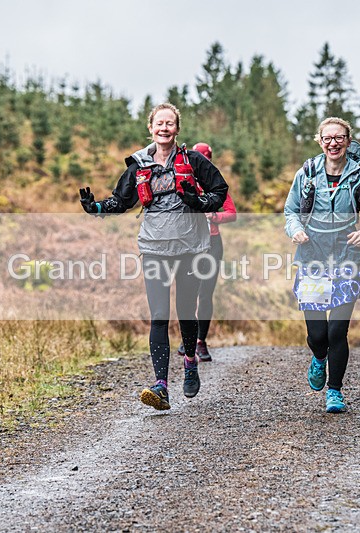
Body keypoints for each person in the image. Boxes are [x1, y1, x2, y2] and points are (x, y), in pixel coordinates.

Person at [79, 103, 228, 411]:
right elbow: (122, 201)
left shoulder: (194, 161)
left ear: (177, 129)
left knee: (186, 311)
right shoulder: (139, 165)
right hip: (155, 249)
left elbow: (220, 191)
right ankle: (161, 386)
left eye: (169, 123)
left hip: (190, 248)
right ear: (151, 128)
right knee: (159, 314)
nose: (164, 128)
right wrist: (94, 208)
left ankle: (189, 361)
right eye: (159, 123)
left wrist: (197, 201)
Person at [284, 117, 360, 414]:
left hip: (347, 259)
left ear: (348, 141)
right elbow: (290, 211)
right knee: (318, 336)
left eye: (339, 138)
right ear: (319, 141)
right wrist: (295, 230)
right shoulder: (307, 174)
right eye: (327, 138)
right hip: (312, 257)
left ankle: (335, 391)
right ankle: (318, 357)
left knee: (338, 331)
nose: (333, 143)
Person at [176, 142, 237, 362]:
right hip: (189, 244)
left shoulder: (214, 180)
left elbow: (232, 212)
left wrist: (213, 217)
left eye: (206, 158)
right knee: (187, 293)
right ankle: (189, 338)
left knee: (205, 294)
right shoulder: (183, 179)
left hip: (212, 243)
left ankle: (201, 341)